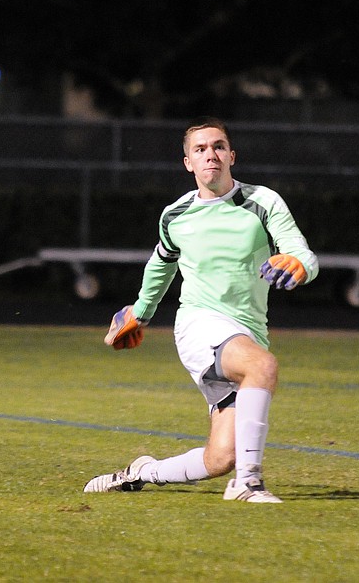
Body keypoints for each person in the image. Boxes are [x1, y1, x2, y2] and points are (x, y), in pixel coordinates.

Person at [83, 116, 318, 503]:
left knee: (220, 457)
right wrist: (140, 312)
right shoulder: (175, 215)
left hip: (247, 332)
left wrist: (300, 265)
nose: (211, 155)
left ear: (232, 156)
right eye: (200, 149)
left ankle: (142, 473)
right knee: (263, 366)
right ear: (188, 163)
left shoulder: (262, 202)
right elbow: (162, 263)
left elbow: (300, 250)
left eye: (219, 146)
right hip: (198, 325)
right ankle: (249, 483)